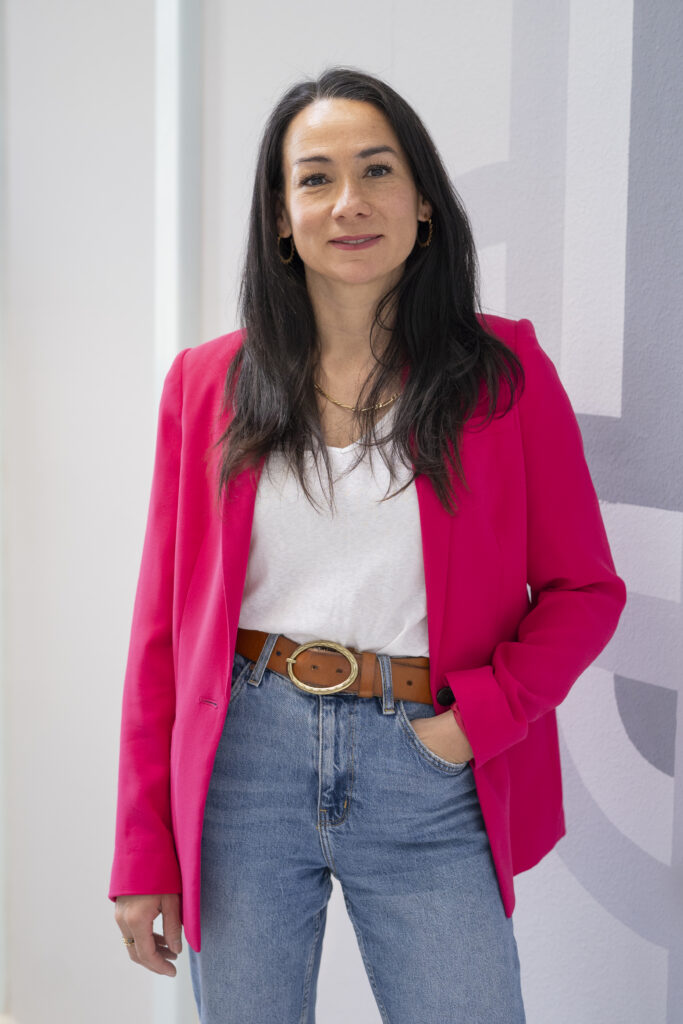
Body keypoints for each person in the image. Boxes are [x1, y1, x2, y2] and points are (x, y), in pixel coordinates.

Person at [110, 66, 627, 1023]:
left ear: (423, 202)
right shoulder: (206, 384)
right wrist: (142, 852)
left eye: (377, 170)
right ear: (281, 216)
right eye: (314, 178)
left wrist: (473, 723)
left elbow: (584, 590)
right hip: (242, 765)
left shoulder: (502, 373)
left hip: (425, 757)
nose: (348, 201)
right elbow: (159, 635)